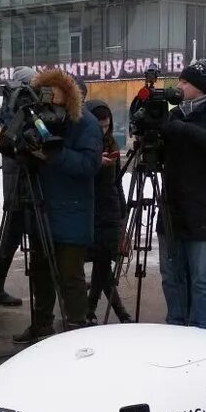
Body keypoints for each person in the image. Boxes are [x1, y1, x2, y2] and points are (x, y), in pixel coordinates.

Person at [4, 68, 102, 343]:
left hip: (72, 212)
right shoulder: (35, 117)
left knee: (71, 277)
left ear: (68, 93)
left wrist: (54, 154)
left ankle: (76, 328)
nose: (48, 96)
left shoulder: (85, 123)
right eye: (43, 91)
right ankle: (42, 324)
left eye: (53, 91)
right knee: (40, 274)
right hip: (40, 208)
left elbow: (89, 164)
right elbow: (23, 152)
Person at [156, 60, 206, 331]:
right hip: (172, 208)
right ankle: (175, 324)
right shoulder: (176, 114)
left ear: (200, 87)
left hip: (204, 210)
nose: (179, 86)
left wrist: (186, 131)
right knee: (171, 275)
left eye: (185, 82)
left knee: (202, 278)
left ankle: (203, 330)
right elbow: (161, 157)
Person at [0, 66, 37, 308]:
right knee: (12, 235)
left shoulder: (11, 106)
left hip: (20, 179)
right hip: (17, 181)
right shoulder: (13, 107)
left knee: (14, 236)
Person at [84, 100, 131, 324]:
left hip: (109, 210)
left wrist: (123, 215)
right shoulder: (84, 145)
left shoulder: (111, 144)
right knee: (101, 267)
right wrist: (94, 163)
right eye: (99, 126)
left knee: (103, 265)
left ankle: (90, 309)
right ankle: (117, 312)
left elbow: (117, 183)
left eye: (106, 126)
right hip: (89, 209)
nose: (103, 131)